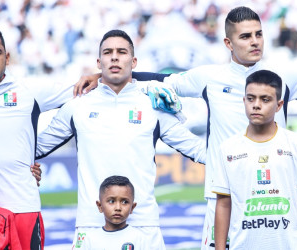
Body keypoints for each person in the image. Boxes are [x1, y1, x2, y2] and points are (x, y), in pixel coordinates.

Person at [72, 6, 297, 249]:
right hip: (225, 194)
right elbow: (161, 80)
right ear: (228, 43)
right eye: (245, 36)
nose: (255, 42)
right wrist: (102, 76)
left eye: (258, 34)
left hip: (277, 193)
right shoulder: (209, 78)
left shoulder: (286, 77)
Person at [36, 29, 206, 249]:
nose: (114, 57)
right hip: (91, 226)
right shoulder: (76, 107)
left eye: (122, 52)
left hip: (144, 226)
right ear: (99, 62)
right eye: (108, 52)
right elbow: (34, 148)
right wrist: (24, 165)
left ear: (133, 61)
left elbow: (197, 149)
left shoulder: (152, 106)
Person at [0, 26, 75, 249]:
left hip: (22, 208)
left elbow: (84, 90)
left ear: (6, 57)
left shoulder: (30, 89)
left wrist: (34, 149)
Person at [212, 70, 297, 249]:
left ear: (279, 105)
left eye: (265, 99)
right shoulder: (227, 149)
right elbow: (223, 205)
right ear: (244, 101)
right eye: (251, 98)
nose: (256, 105)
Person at [77, 175, 148, 249]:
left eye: (124, 202)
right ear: (100, 206)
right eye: (111, 201)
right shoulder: (90, 239)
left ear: (132, 208)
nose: (118, 208)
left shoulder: (139, 238)